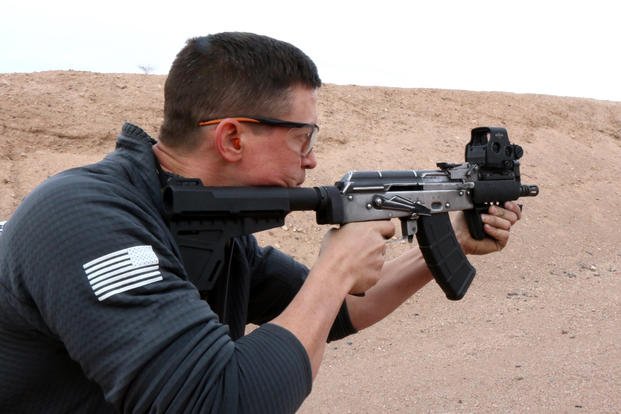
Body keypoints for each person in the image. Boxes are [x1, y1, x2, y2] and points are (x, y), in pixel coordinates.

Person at [0, 32, 522, 413]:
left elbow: (338, 313)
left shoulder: (204, 225)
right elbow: (219, 402)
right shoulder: (84, 218)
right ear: (232, 138)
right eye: (303, 139)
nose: (312, 161)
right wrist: (334, 269)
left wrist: (446, 243)